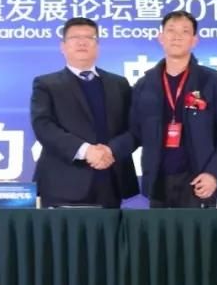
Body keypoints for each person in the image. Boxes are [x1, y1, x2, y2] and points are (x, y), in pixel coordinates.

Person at [129, 10, 217, 208]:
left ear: (194, 40)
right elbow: (134, 133)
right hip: (159, 183)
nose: (177, 36)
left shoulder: (213, 81)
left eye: (185, 31)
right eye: (171, 30)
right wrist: (107, 151)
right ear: (161, 37)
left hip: (200, 181)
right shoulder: (145, 84)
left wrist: (213, 173)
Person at [30, 17, 139, 207]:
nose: (82, 42)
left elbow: (135, 128)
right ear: (63, 46)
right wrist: (86, 151)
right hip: (63, 183)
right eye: (75, 38)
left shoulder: (119, 84)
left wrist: (111, 150)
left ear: (97, 46)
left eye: (89, 37)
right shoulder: (46, 84)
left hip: (110, 180)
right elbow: (43, 126)